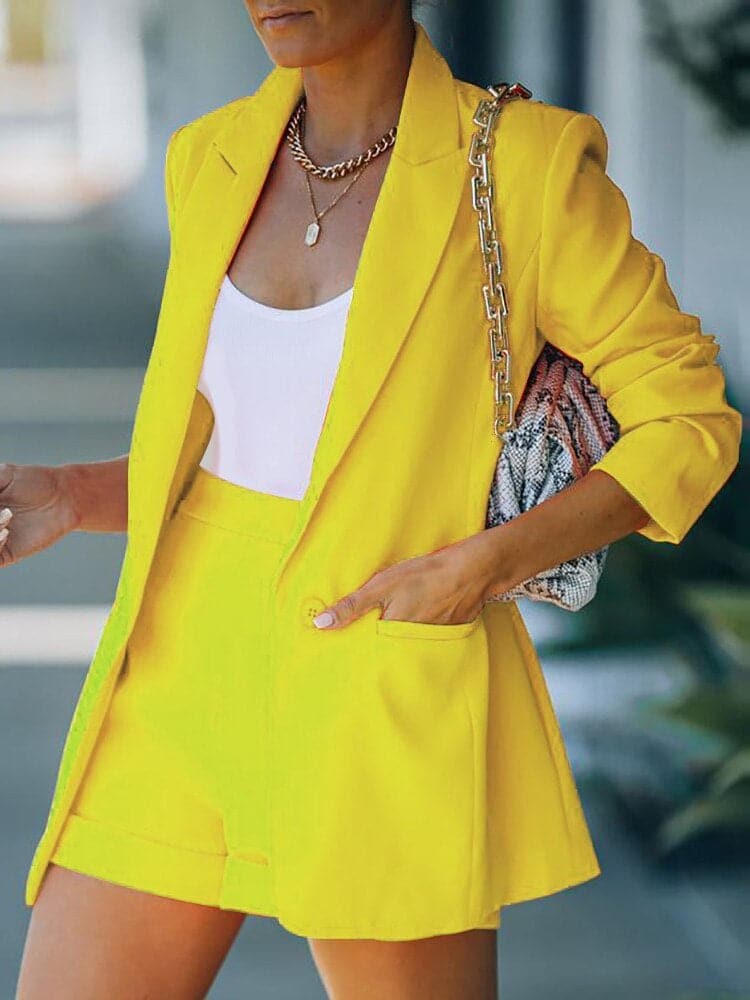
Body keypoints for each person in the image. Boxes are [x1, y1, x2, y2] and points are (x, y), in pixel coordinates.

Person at [10, 2, 742, 997]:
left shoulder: (521, 167)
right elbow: (240, 453)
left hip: (376, 668)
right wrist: (71, 493)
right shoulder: (209, 158)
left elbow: (688, 416)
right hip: (178, 674)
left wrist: (481, 565)